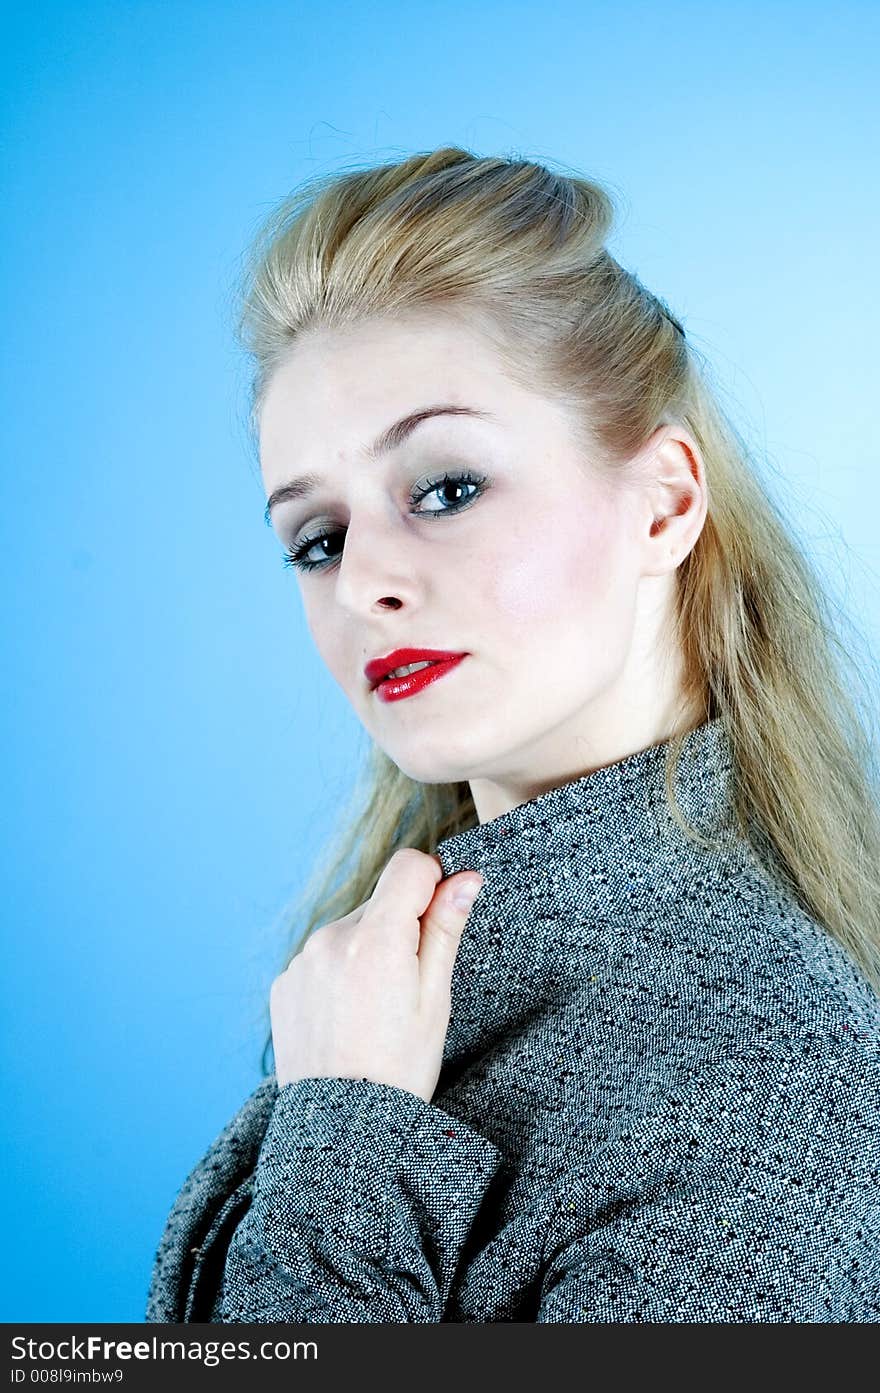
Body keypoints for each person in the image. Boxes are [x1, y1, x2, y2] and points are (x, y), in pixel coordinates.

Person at [146, 147, 880, 1323]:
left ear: (666, 501)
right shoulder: (391, 976)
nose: (364, 582)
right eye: (317, 537)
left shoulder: (763, 1065)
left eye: (443, 488)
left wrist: (344, 1137)